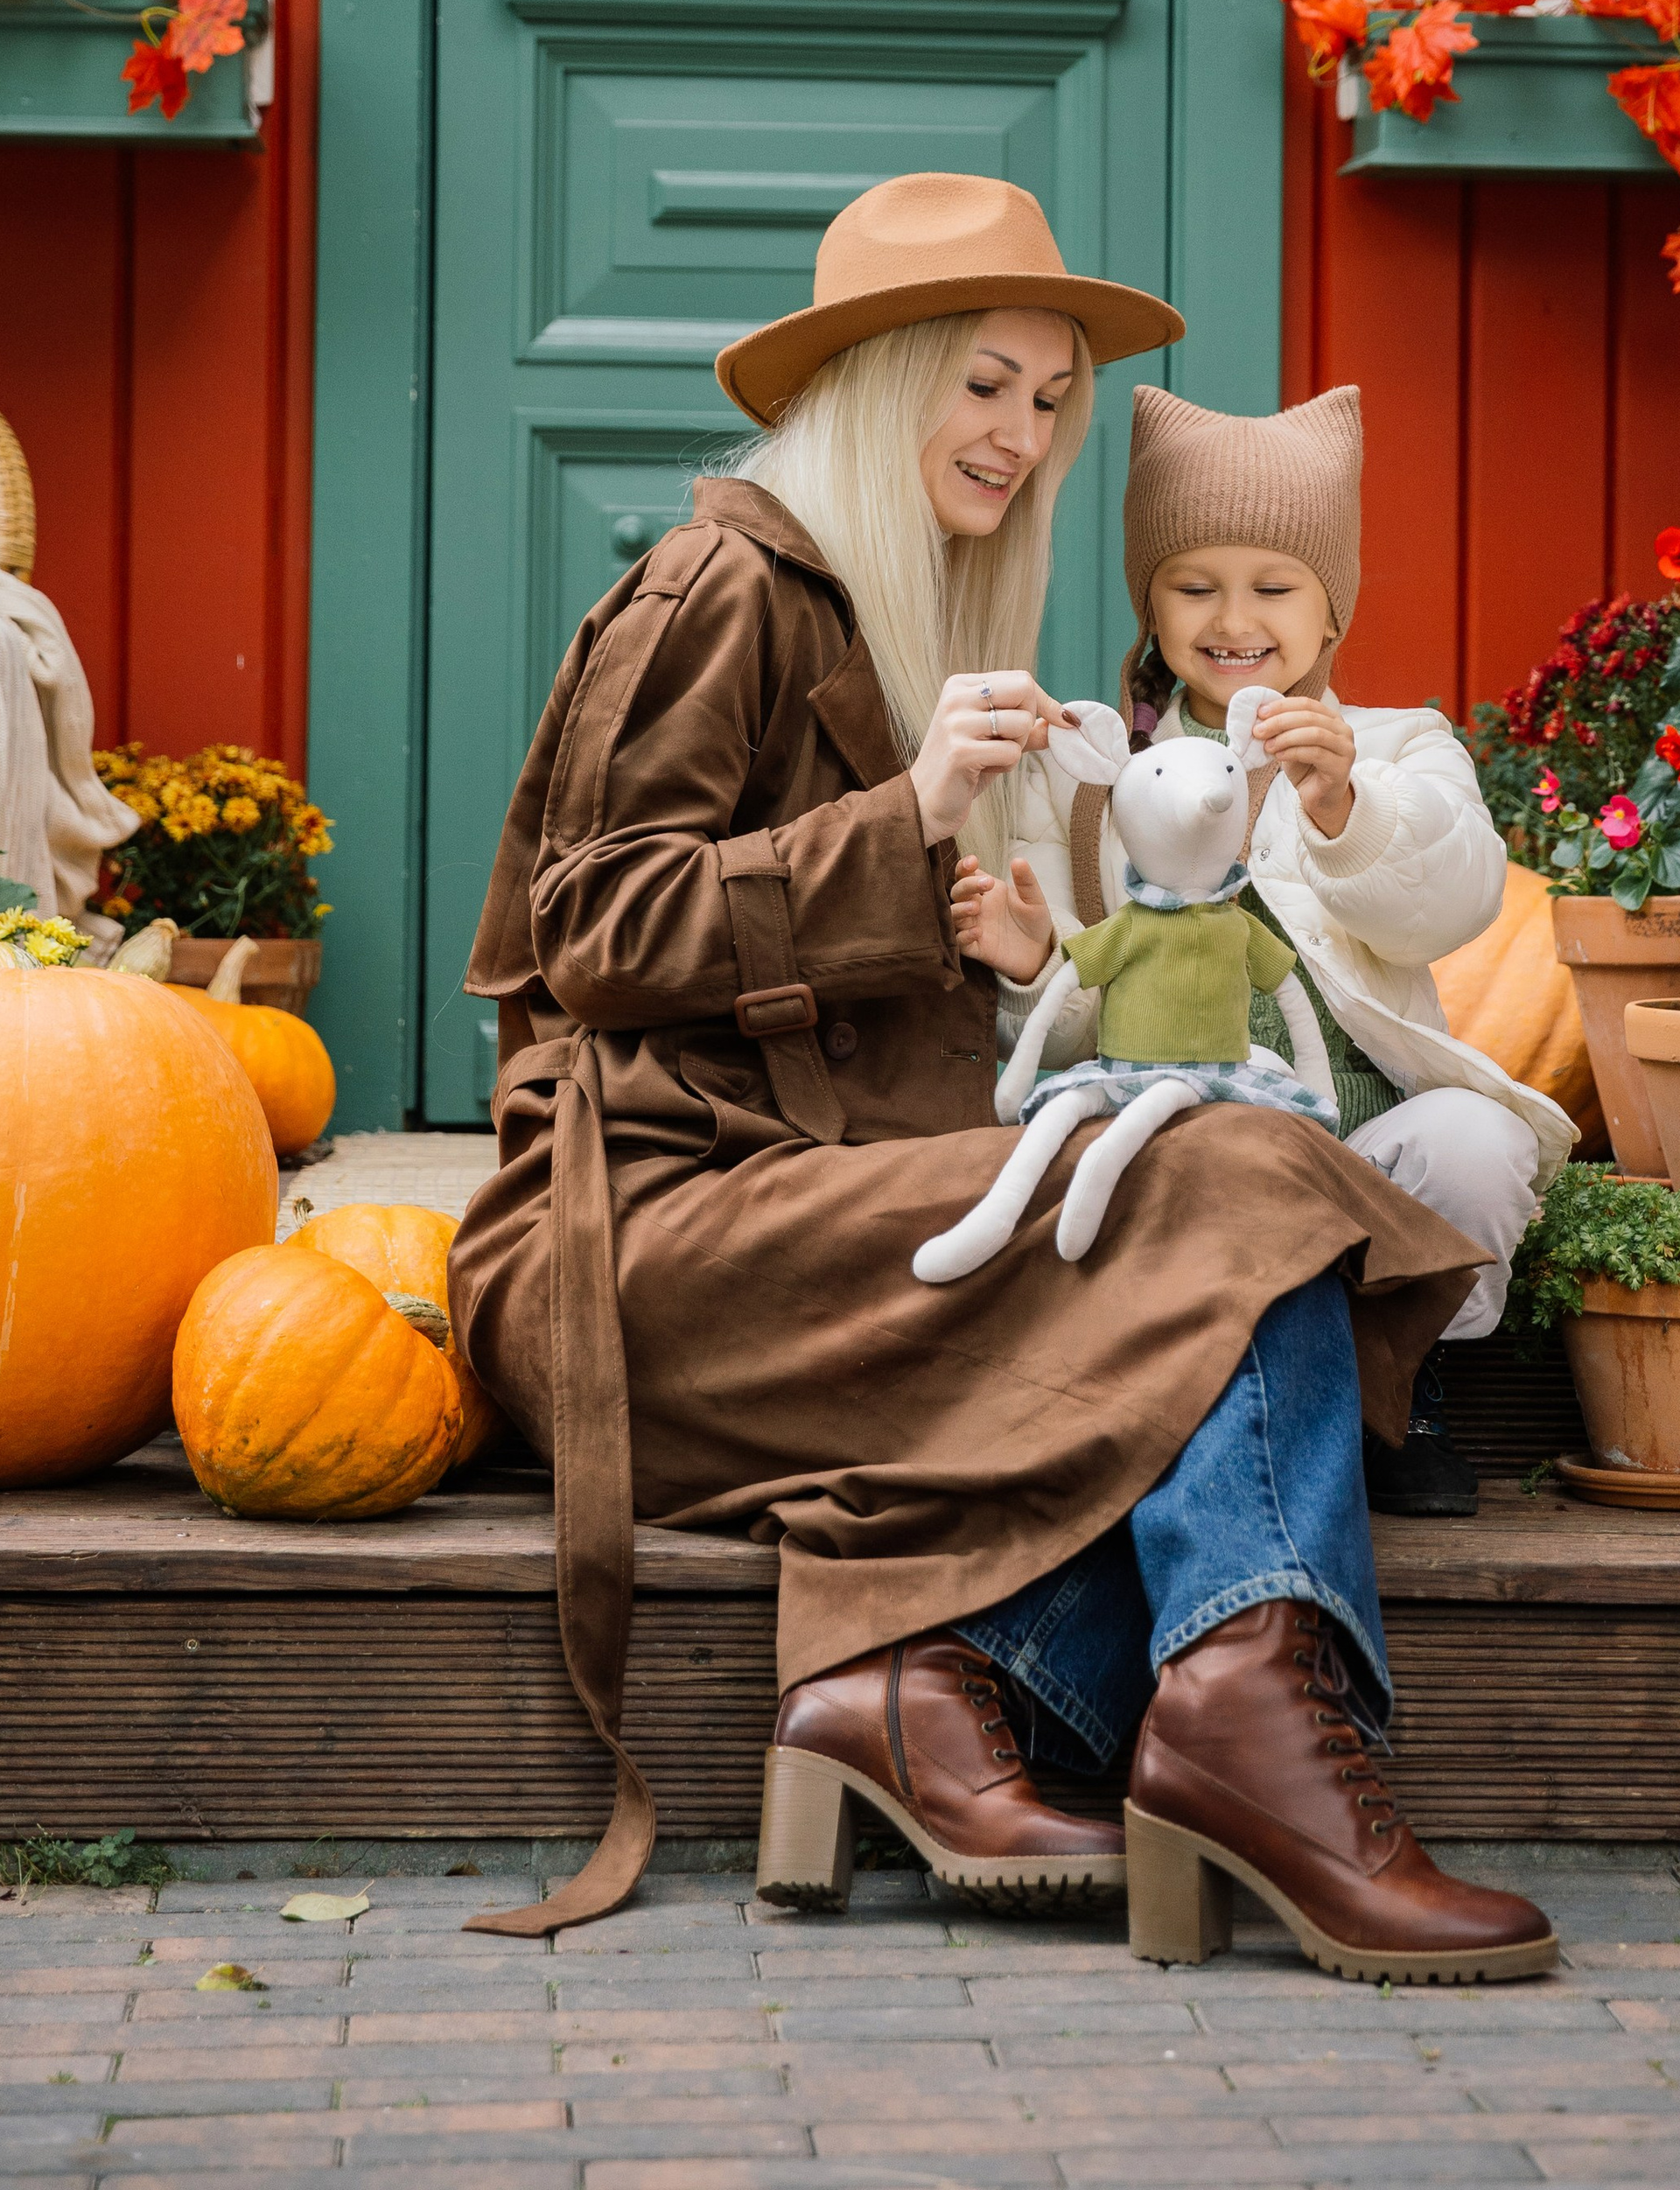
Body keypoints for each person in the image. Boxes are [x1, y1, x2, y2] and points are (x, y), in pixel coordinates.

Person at [448, 173, 1558, 1985]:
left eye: (1048, 400)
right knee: (1233, 1181)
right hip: (637, 1249)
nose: (1019, 432)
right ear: (881, 378)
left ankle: (938, 1686)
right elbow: (581, 925)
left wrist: (1020, 948)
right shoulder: (715, 581)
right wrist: (906, 825)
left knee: (1202, 1173)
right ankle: (1249, 1726)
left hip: (800, 1220)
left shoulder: (911, 612)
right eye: (980, 382)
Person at [956, 384, 1577, 1516]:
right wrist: (1034, 957)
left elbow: (1455, 897)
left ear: (1330, 610)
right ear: (1151, 602)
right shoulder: (1098, 776)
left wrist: (1347, 802)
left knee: (1481, 1145)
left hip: (1358, 1150)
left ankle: (1397, 1378)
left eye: (1274, 585)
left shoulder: (1394, 744)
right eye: (1194, 584)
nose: (1232, 615)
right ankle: (1228, 1388)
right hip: (1194, 1151)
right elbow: (1090, 1025)